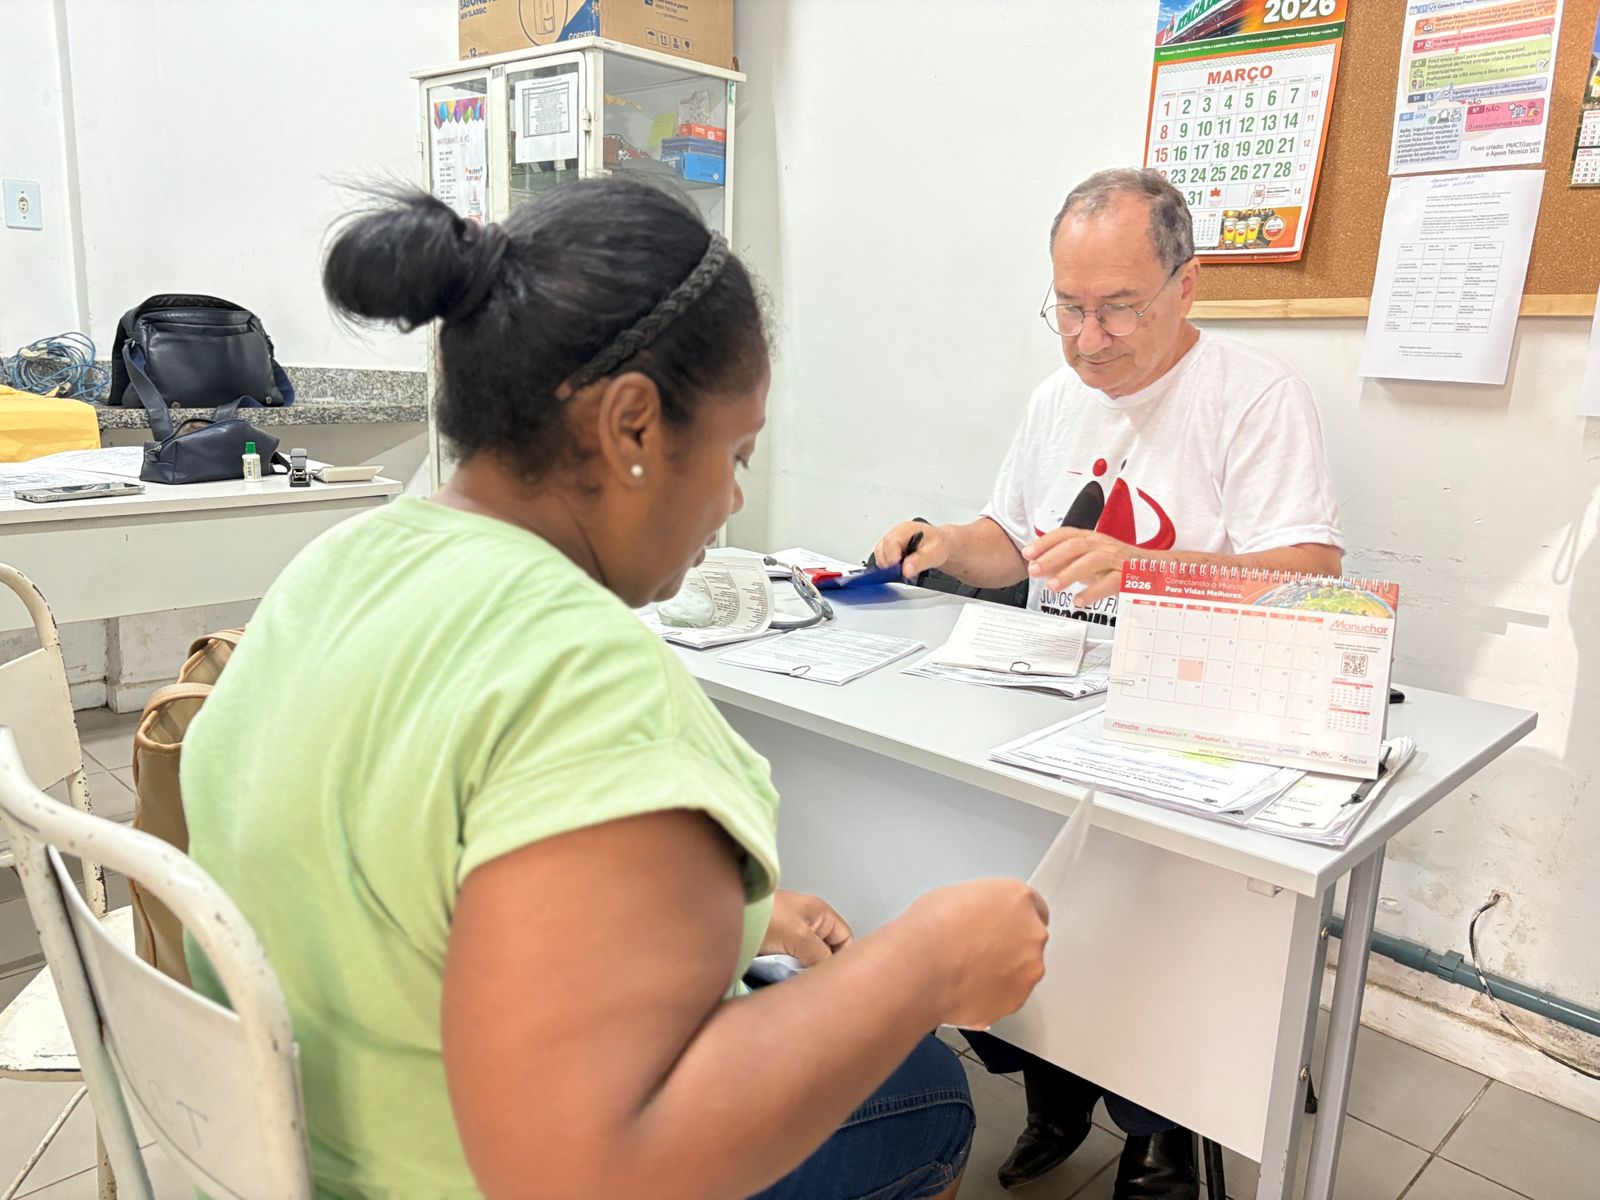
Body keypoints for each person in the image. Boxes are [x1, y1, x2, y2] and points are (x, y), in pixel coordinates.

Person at [180, 179, 1051, 1200]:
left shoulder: (339, 563)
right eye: (735, 454)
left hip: (282, 1151)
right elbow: (595, 1170)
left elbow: (403, 854)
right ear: (632, 426)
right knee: (931, 1092)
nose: (732, 498)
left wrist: (736, 918)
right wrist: (926, 963)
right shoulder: (583, 675)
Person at [874, 168, 1343, 1198]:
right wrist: (948, 541)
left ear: (1188, 284)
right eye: (1069, 308)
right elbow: (1013, 543)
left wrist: (1151, 572)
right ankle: (1057, 1081)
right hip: (1050, 706)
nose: (1089, 340)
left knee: (1151, 928)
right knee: (997, 876)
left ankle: (1159, 1130)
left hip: (1188, 722)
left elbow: (1311, 576)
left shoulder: (1253, 398)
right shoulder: (1058, 400)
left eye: (1119, 308)